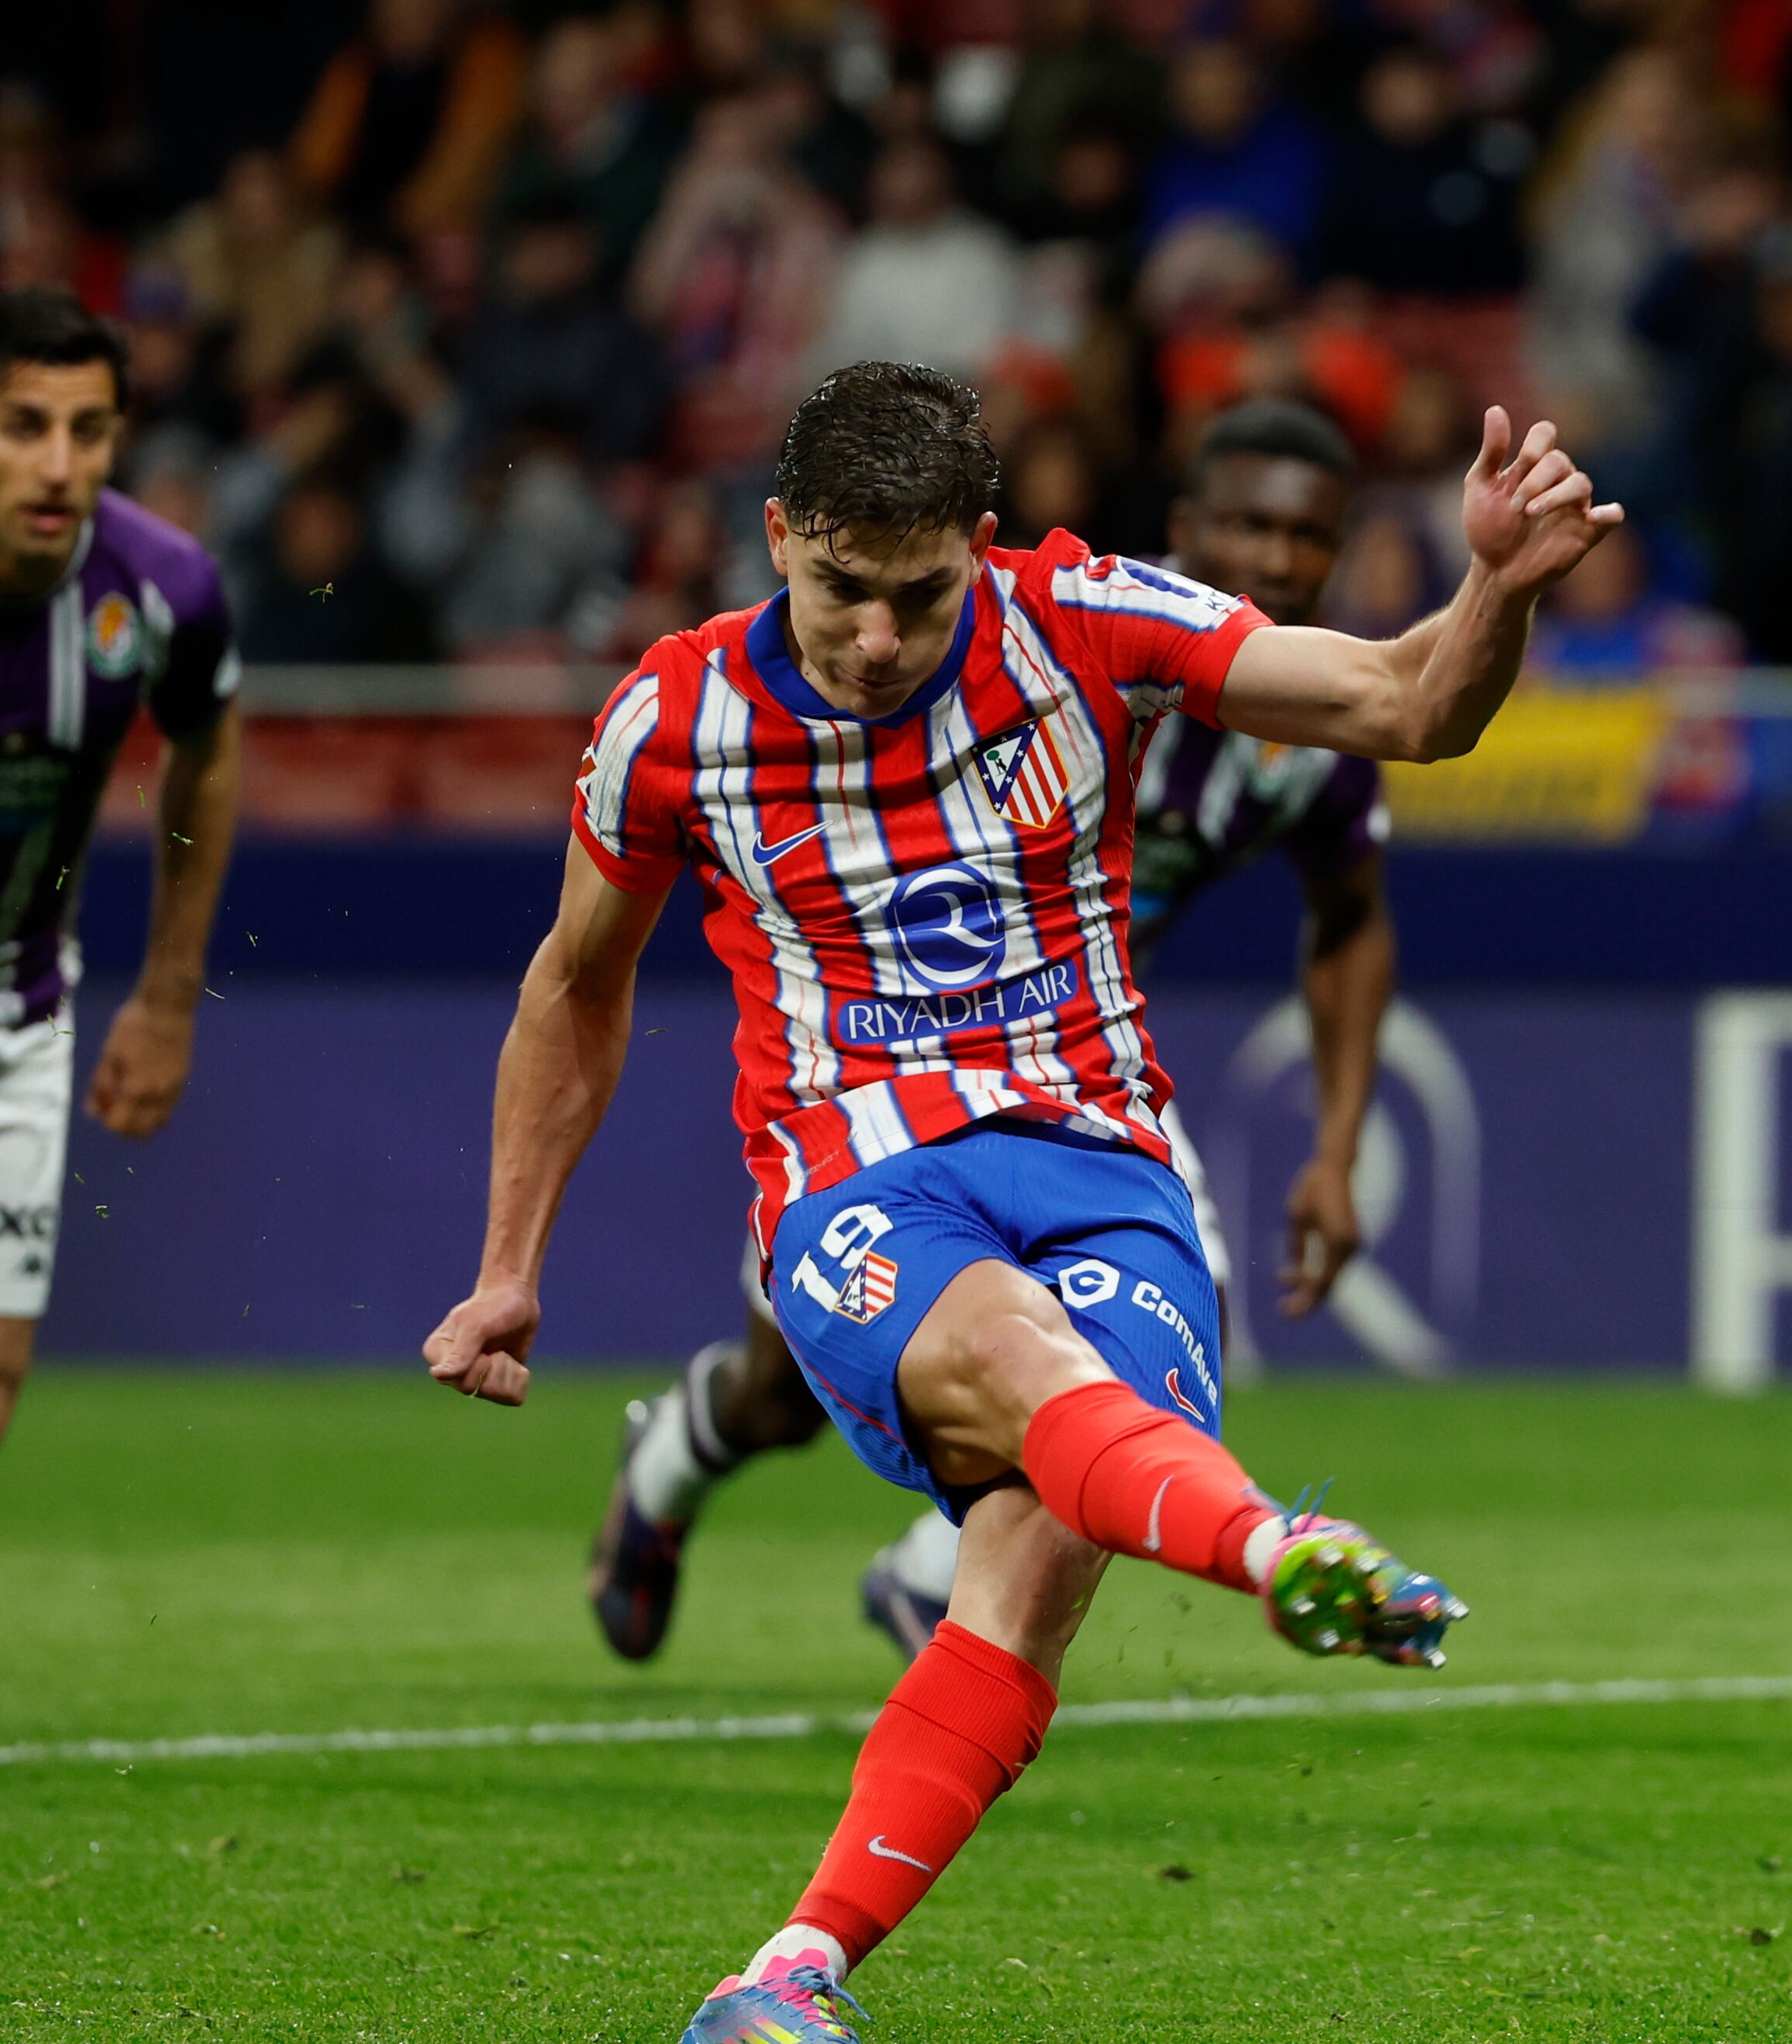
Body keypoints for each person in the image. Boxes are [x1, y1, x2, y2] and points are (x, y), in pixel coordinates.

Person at [421, 361, 1617, 2044]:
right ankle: (1281, 1554)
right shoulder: (670, 721)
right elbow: (575, 984)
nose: (880, 639)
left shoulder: (1077, 616)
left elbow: (1407, 704)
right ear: (778, 540)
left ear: (977, 549)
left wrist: (1494, 586)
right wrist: (508, 1265)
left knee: (1045, 1554)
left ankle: (786, 1978)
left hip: (1103, 1164)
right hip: (857, 1176)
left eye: (920, 597)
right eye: (841, 591)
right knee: (1017, 1361)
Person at [588, 396, 1399, 1665]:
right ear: (1184, 529)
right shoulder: (1079, 640)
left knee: (1166, 1324)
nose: (1276, 561)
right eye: (1245, 525)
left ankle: (943, 1573)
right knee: (782, 1394)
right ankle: (668, 1467)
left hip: (1068, 1072)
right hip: (873, 1070)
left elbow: (1351, 918)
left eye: (1306, 540)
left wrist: (1338, 1143)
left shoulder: (1298, 744)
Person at [0, 288, 244, 1476]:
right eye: (24, 426)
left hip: (9, 1020)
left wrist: (168, 995)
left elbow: (206, 758)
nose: (60, 465)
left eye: (90, 430)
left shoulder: (164, 590)